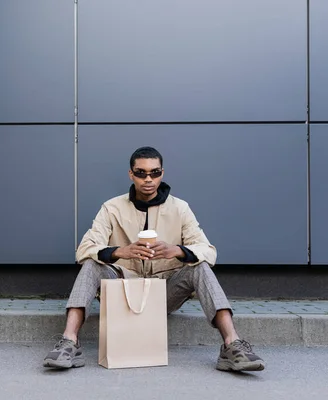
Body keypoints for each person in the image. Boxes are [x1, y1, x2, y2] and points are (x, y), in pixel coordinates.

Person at [43, 146, 265, 372]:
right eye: (141, 173)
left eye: (154, 173)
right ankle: (69, 342)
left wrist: (177, 251)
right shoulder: (112, 208)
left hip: (165, 291)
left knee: (201, 267)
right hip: (124, 290)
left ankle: (232, 344)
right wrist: (121, 251)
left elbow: (208, 250)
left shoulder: (180, 208)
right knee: (91, 264)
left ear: (162, 173)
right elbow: (84, 249)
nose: (148, 179)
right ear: (131, 174)